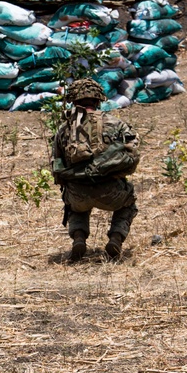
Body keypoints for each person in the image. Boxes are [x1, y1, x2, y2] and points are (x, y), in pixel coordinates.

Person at [50, 79, 140, 261]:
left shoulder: (64, 129)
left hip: (77, 195)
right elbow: (132, 157)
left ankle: (79, 239)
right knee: (129, 203)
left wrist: (73, 180)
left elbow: (56, 167)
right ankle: (116, 238)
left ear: (72, 101)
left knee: (74, 204)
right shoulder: (116, 124)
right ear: (98, 100)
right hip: (111, 192)